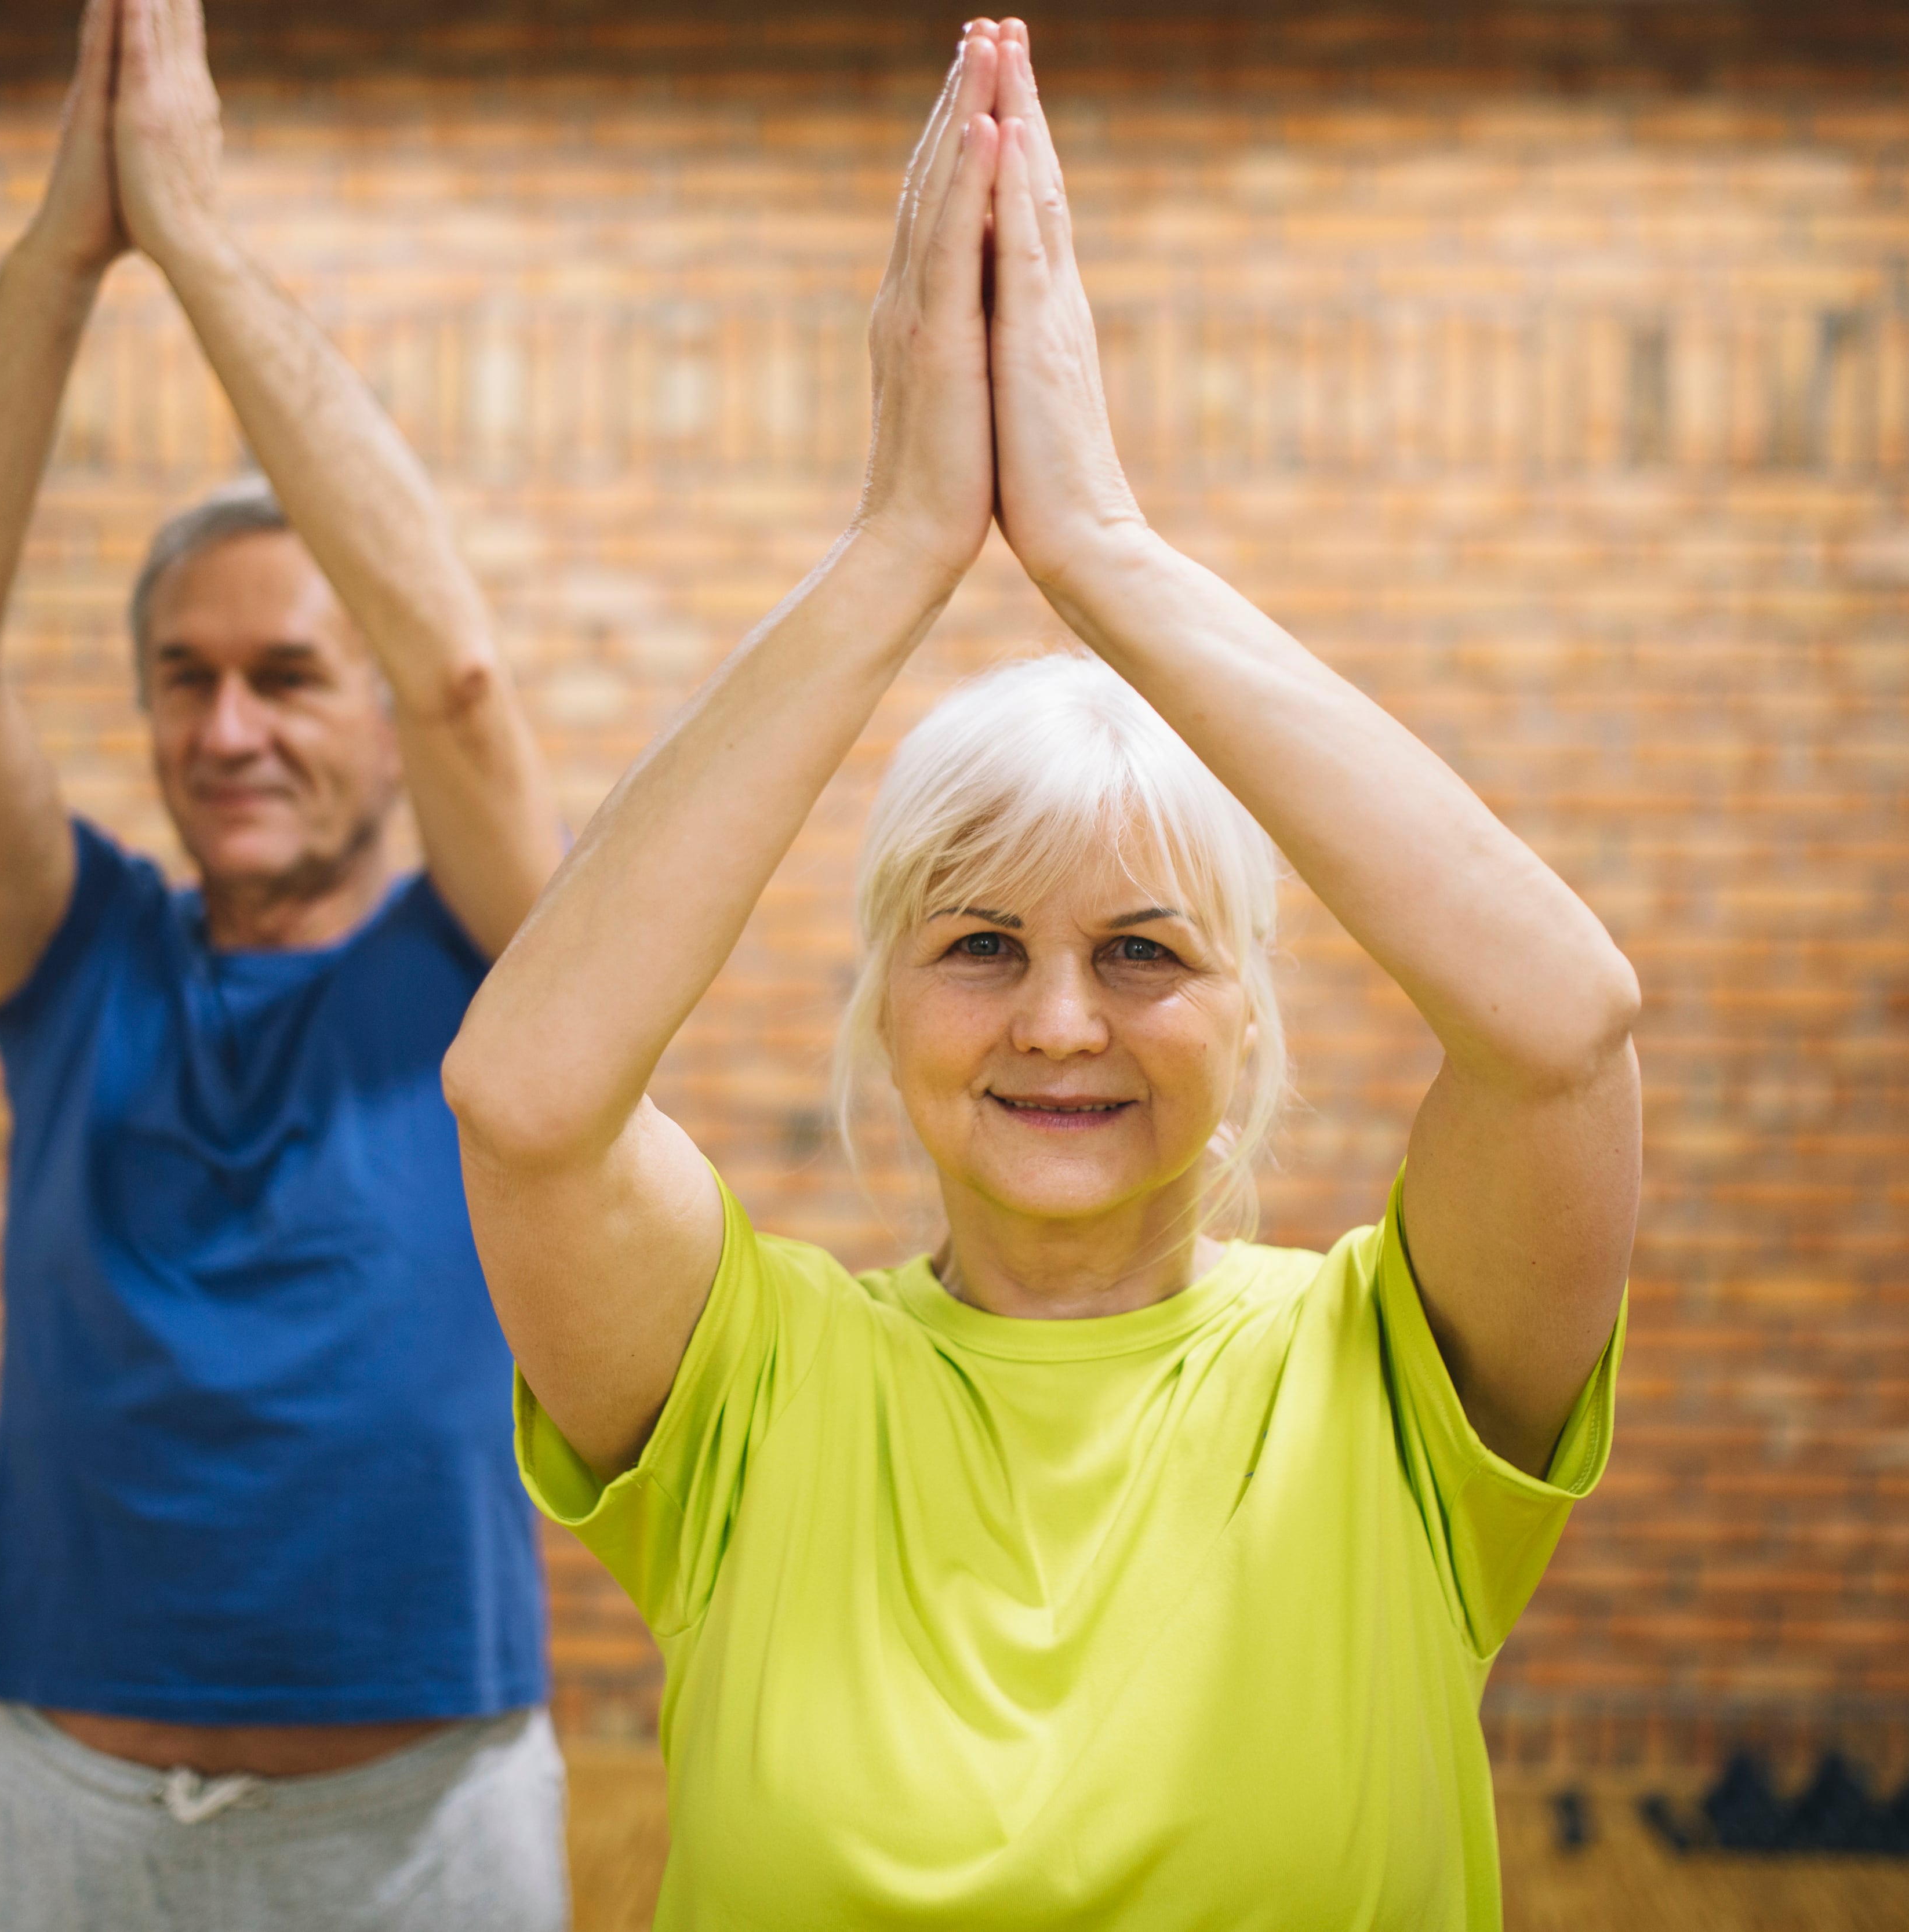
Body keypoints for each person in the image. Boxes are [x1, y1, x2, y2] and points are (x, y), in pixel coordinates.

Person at [443, 19, 1640, 1930]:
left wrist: (1097, 546)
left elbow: (1566, 1033)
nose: (1062, 1020)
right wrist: (899, 545)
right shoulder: (754, 1384)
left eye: (1146, 952)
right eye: (982, 944)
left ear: (1252, 1016)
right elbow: (523, 1102)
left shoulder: (1390, 1383)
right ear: (887, 1005)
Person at [0, 0, 565, 1924]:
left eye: (287, 676)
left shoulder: (495, 952)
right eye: (188, 679)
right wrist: (69, 249)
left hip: (420, 1830)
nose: (231, 728)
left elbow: (467, 675)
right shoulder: (78, 955)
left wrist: (201, 235)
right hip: (69, 1817)